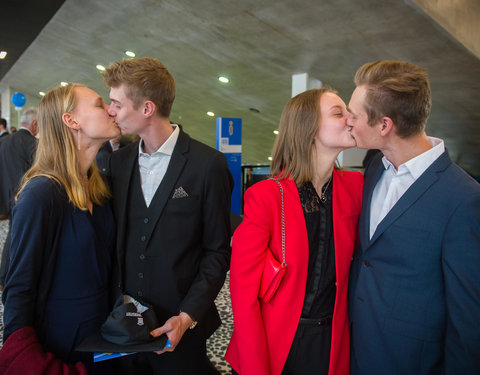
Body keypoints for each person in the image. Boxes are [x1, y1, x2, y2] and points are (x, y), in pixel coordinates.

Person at [347, 60, 480, 374]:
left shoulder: (464, 199)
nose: (348, 122)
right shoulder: (375, 169)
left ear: (384, 125)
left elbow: (469, 323)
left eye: (355, 114)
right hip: (357, 354)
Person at [102, 57, 233, 375]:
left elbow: (217, 252)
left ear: (147, 108)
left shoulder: (207, 164)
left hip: (181, 328)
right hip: (123, 327)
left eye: (117, 103)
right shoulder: (117, 164)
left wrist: (187, 316)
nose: (110, 110)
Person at [226, 88, 363, 375]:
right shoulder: (265, 196)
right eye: (339, 113)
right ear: (308, 127)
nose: (351, 118)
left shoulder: (356, 188)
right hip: (280, 345)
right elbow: (243, 295)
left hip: (335, 343)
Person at [1, 83, 120, 374]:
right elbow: (18, 290)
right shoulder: (42, 192)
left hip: (102, 342)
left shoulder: (99, 188)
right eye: (98, 103)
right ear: (71, 120)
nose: (110, 109)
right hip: (60, 349)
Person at [0, 108, 38, 290]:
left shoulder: (4, 141)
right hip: (25, 197)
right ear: (35, 124)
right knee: (19, 238)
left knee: (13, 236)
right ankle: (9, 278)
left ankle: (3, 277)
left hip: (7, 195)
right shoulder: (32, 143)